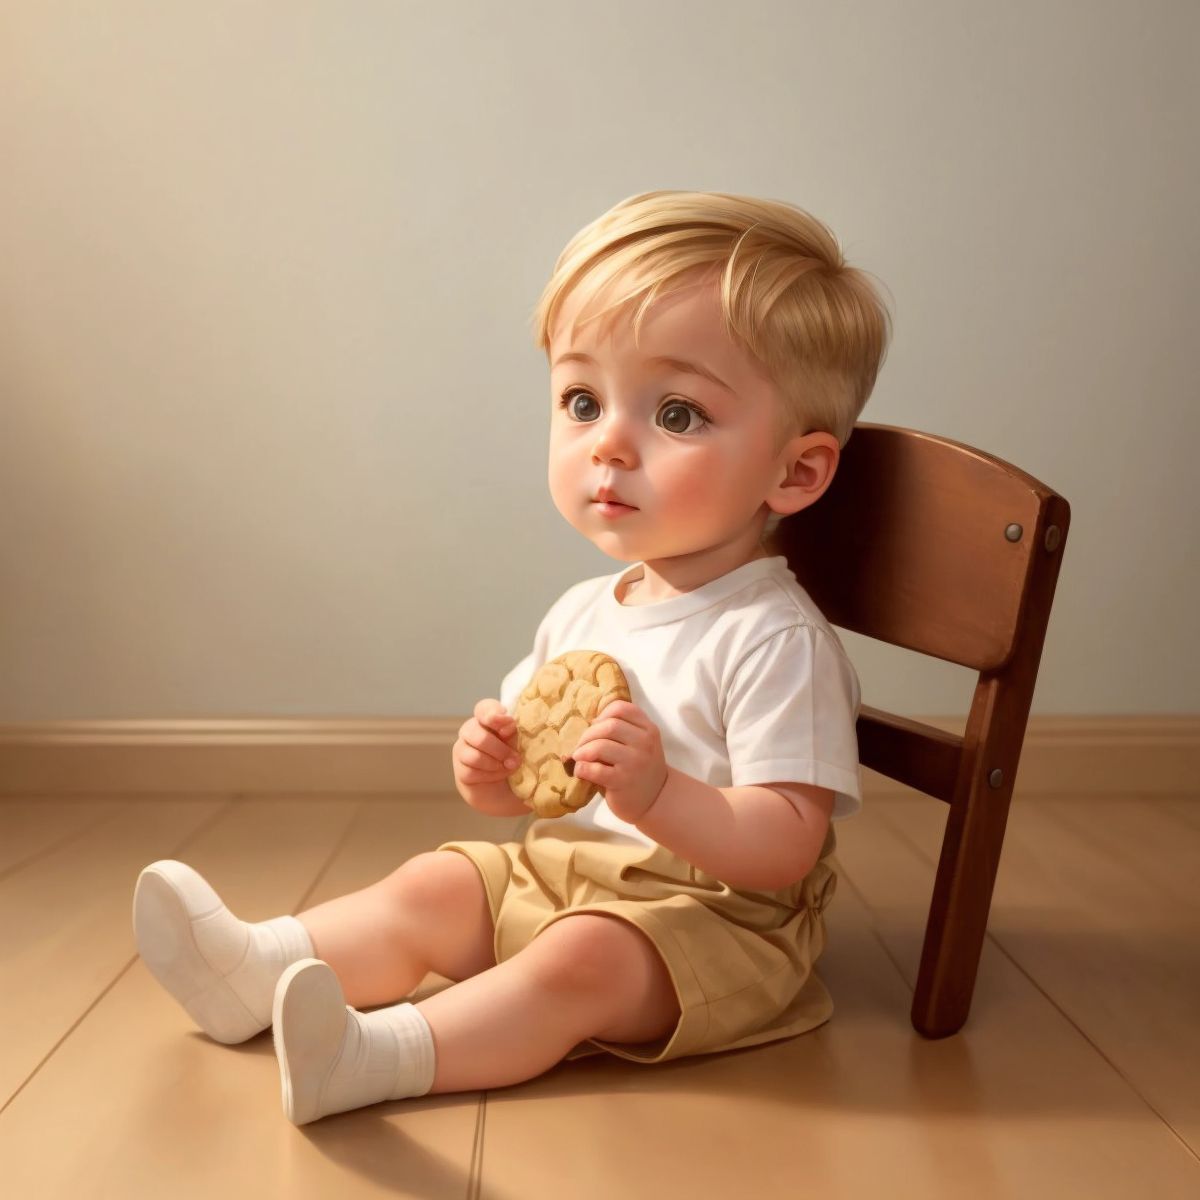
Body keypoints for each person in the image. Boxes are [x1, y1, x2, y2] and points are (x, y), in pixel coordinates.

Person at [132, 189, 892, 1125]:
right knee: (438, 881)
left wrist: (661, 798)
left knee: (582, 962)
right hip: (566, 868)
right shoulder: (584, 610)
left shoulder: (771, 638)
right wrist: (491, 774)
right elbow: (534, 794)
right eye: (582, 400)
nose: (608, 440)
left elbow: (785, 845)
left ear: (795, 472)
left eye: (680, 414)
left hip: (719, 926)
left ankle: (380, 1055)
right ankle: (253, 970)